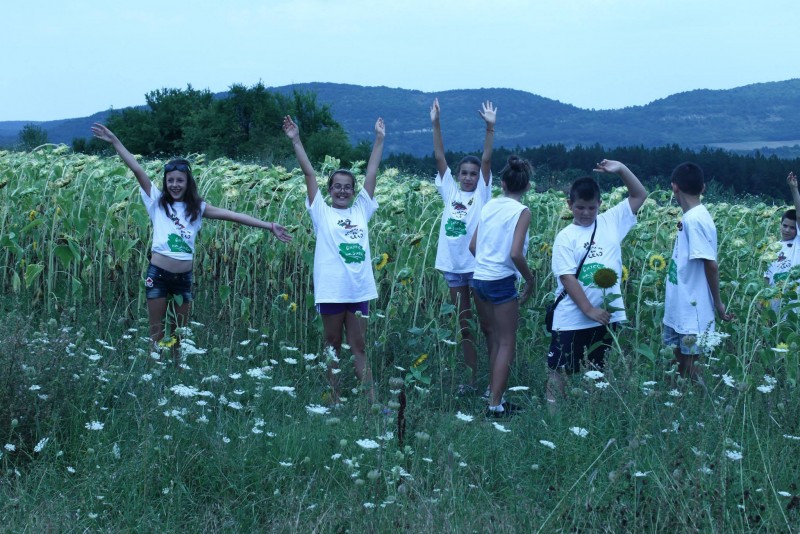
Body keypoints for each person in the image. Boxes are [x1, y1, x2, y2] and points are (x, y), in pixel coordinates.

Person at [90, 123, 292, 362]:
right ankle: (153, 371)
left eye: (180, 181)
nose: (175, 185)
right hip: (159, 274)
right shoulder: (156, 202)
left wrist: (268, 226)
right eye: (171, 180)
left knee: (179, 331)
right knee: (156, 329)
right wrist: (115, 141)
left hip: (184, 277)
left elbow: (234, 216)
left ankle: (177, 370)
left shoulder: (197, 208)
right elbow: (137, 170)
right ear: (165, 182)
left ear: (188, 183)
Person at [282, 115, 385, 404]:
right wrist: (296, 140)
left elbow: (372, 174)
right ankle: (335, 399)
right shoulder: (321, 212)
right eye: (337, 186)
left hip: (359, 290)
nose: (342, 191)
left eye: (347, 187)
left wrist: (379, 140)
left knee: (359, 346)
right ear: (330, 190)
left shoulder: (361, 211)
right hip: (331, 290)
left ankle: (371, 404)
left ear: (354, 191)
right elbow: (309, 175)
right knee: (332, 346)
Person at [546, 161, 647, 405]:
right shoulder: (565, 237)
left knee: (597, 369)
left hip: (605, 314)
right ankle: (553, 419)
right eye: (580, 208)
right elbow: (567, 278)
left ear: (600, 204)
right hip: (571, 316)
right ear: (570, 205)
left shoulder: (611, 221)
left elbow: (639, 194)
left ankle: (592, 415)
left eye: (592, 208)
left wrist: (622, 169)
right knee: (560, 369)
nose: (586, 213)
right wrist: (588, 309)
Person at [430, 98, 496, 396]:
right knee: (465, 325)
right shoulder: (450, 191)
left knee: (487, 326)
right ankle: (470, 381)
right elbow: (439, 155)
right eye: (464, 173)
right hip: (453, 268)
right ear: (457, 176)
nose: (469, 177)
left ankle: (494, 381)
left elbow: (486, 160)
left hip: (476, 266)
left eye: (472, 174)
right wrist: (435, 123)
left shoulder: (482, 194)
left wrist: (489, 128)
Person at [468, 156, 534, 418]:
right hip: (501, 280)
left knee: (492, 336)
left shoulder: (489, 205)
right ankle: (495, 405)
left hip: (479, 277)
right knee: (507, 341)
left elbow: (473, 246)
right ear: (527, 187)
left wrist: (487, 263)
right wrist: (531, 279)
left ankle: (491, 391)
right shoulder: (522, 211)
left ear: (503, 184)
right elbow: (516, 253)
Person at [662, 162, 734, 381]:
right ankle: (679, 406)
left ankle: (698, 407)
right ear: (703, 188)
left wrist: (718, 303)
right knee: (677, 365)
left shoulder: (695, 220)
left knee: (692, 366)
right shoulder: (691, 217)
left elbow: (710, 265)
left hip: (692, 309)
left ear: (674, 187)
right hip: (679, 305)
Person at [763, 172, 800, 315]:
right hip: (774, 303)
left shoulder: (798, 243)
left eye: (792, 227)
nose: (787, 230)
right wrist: (761, 302)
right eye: (785, 225)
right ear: (780, 224)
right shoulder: (772, 248)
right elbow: (767, 277)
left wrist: (793, 189)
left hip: (793, 304)